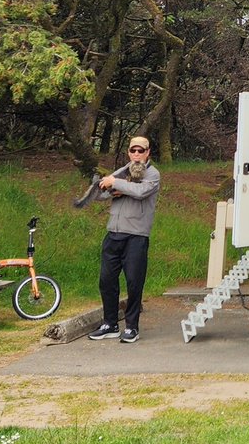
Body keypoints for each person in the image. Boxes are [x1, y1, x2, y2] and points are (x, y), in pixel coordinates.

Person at [87, 135, 161, 343]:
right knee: (106, 280)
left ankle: (131, 327)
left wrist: (118, 184)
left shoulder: (153, 174)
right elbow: (99, 193)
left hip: (136, 236)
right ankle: (109, 323)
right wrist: (113, 191)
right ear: (128, 152)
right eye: (133, 151)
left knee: (134, 282)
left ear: (148, 153)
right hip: (113, 233)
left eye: (141, 151)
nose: (136, 155)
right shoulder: (122, 172)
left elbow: (141, 191)